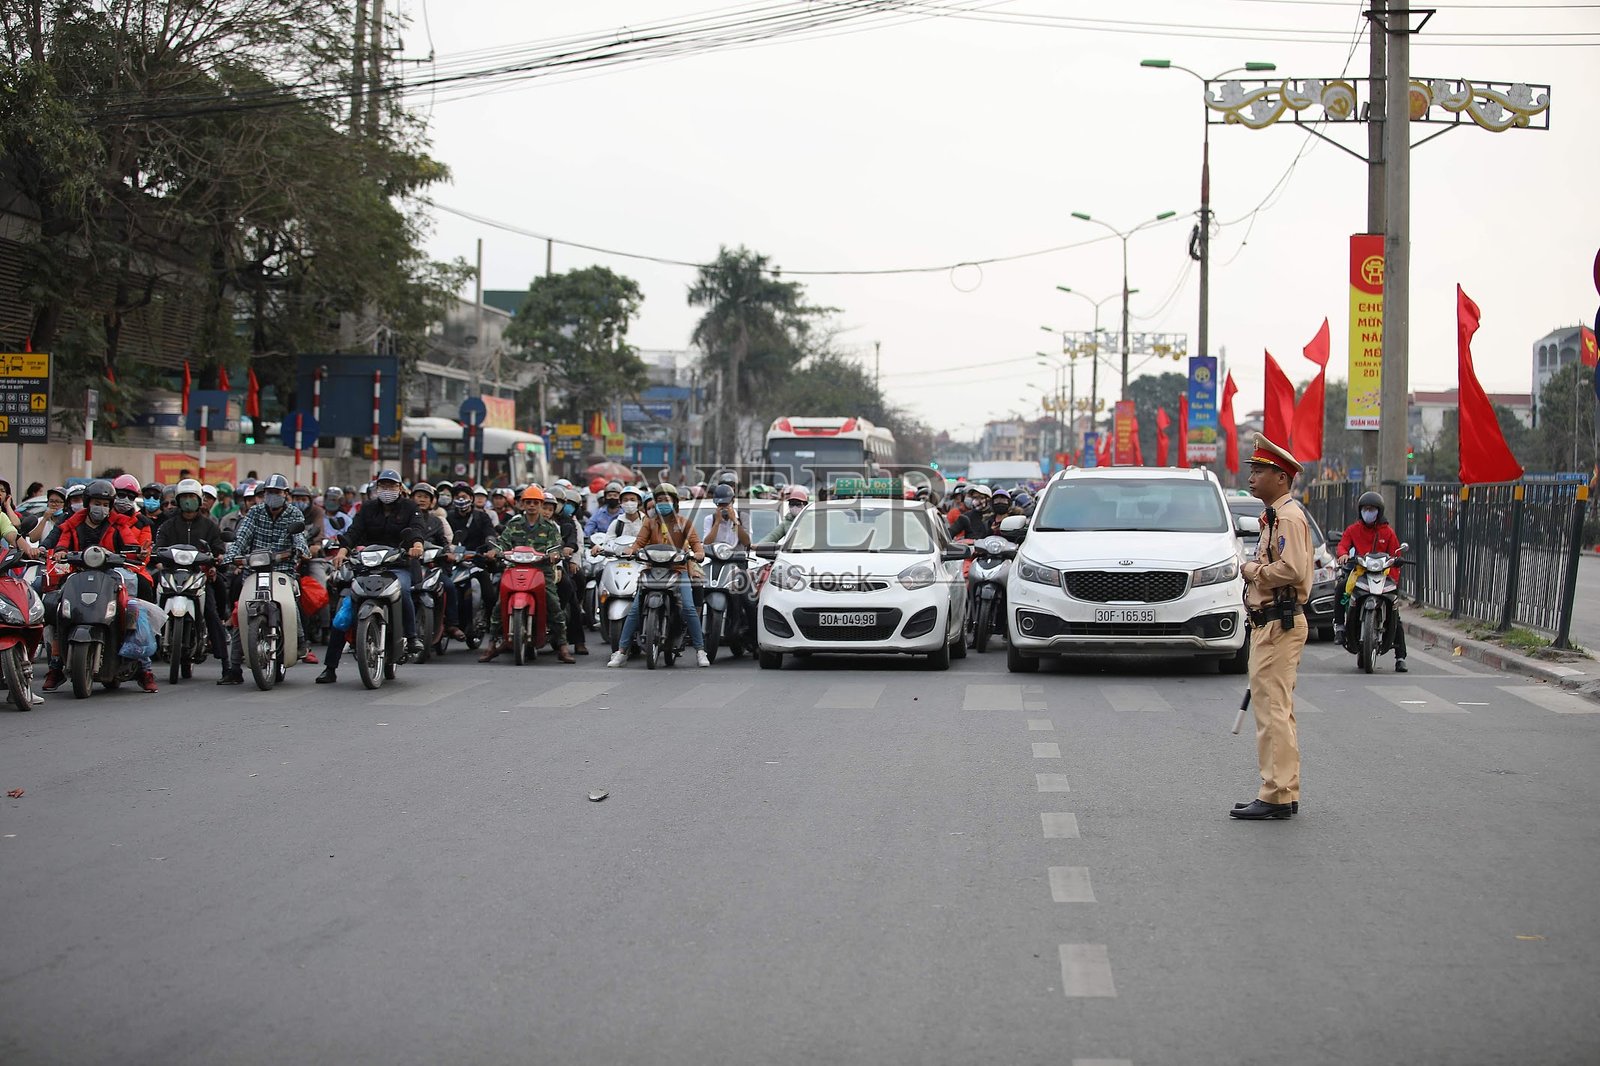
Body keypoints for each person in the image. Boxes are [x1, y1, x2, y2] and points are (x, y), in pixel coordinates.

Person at [1231, 433, 1313, 821]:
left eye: (1260, 471)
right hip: (1273, 622)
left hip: (1279, 623)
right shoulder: (1276, 516)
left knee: (1272, 713)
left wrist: (1253, 571)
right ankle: (1285, 789)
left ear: (1281, 477)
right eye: (1252, 470)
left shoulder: (1288, 518)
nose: (1251, 477)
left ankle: (1276, 793)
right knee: (1278, 710)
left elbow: (1292, 569)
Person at [40, 478, 159, 693]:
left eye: (105, 504)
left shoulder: (119, 523)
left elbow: (131, 545)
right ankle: (55, 667)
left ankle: (144, 669)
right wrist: (58, 552)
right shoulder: (72, 522)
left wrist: (138, 553)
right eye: (97, 503)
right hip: (77, 574)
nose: (101, 508)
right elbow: (61, 543)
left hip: (111, 575)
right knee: (57, 610)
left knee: (132, 610)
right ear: (88, 503)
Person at [316, 470, 426, 683]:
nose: (387, 490)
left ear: (400, 488)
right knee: (344, 609)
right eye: (383, 486)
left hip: (398, 565)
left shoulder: (410, 507)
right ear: (377, 488)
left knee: (403, 590)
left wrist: (417, 545)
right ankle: (330, 668)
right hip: (367, 566)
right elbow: (354, 532)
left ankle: (412, 638)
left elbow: (416, 529)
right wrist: (342, 552)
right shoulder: (368, 508)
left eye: (391, 486)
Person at [217, 474, 310, 684]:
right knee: (241, 611)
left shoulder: (294, 513)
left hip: (283, 570)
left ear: (286, 494)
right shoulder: (255, 512)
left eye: (277, 492)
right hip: (254, 571)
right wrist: (230, 557)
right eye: (269, 492)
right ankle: (234, 668)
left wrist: (300, 550)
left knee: (291, 602)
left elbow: (299, 538)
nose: (272, 496)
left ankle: (300, 640)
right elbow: (242, 537)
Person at [606, 483, 709, 668]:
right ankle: (621, 651)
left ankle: (700, 651)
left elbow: (696, 543)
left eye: (666, 500)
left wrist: (698, 553)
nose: (662, 503)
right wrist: (631, 550)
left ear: (674, 502)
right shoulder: (649, 522)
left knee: (688, 607)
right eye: (659, 500)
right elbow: (639, 543)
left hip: (678, 570)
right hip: (651, 569)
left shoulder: (684, 522)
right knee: (635, 608)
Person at [478, 486, 575, 663]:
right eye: (528, 502)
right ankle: (491, 644)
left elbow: (556, 545)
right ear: (522, 504)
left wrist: (554, 554)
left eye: (535, 503)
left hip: (541, 571)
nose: (531, 506)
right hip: (514, 568)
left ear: (541, 505)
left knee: (554, 604)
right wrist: (495, 551)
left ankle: (562, 646)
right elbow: (503, 542)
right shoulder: (514, 524)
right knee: (499, 605)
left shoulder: (549, 527)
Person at [154, 479, 230, 673]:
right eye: (184, 497)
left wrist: (216, 560)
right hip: (171, 576)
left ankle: (226, 664)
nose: (188, 501)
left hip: (199, 577)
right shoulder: (168, 525)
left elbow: (218, 549)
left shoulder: (209, 526)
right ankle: (144, 656)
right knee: (152, 604)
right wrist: (157, 558)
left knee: (211, 611)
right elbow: (158, 548)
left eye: (192, 497)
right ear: (178, 501)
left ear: (199, 500)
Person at [1335, 490, 1408, 672]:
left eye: (1372, 509)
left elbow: (1395, 554)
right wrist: (1343, 554)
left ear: (1379, 511)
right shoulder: (1353, 530)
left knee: (1394, 611)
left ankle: (1400, 657)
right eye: (1365, 509)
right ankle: (1340, 627)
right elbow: (1343, 545)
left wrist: (1395, 570)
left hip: (1383, 575)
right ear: (1360, 511)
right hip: (1360, 573)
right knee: (1340, 587)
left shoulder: (1387, 532)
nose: (1368, 512)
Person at [701, 483, 751, 549]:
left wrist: (735, 521)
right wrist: (717, 523)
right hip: (716, 553)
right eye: (720, 504)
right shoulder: (710, 519)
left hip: (738, 554)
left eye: (726, 504)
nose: (723, 507)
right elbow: (706, 544)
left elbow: (747, 543)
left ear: (733, 501)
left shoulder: (743, 517)